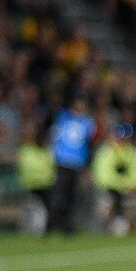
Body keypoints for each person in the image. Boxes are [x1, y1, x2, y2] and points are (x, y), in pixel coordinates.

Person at [93, 122, 136, 235]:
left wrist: (135, 185)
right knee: (116, 195)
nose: (123, 141)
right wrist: (123, 185)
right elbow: (104, 176)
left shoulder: (131, 151)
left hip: (128, 186)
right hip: (110, 186)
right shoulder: (106, 152)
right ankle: (119, 221)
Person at [48, 95, 97, 234]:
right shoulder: (62, 117)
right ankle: (51, 224)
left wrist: (87, 165)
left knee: (73, 197)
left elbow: (90, 144)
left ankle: (68, 227)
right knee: (58, 196)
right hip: (62, 161)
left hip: (77, 163)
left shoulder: (87, 122)